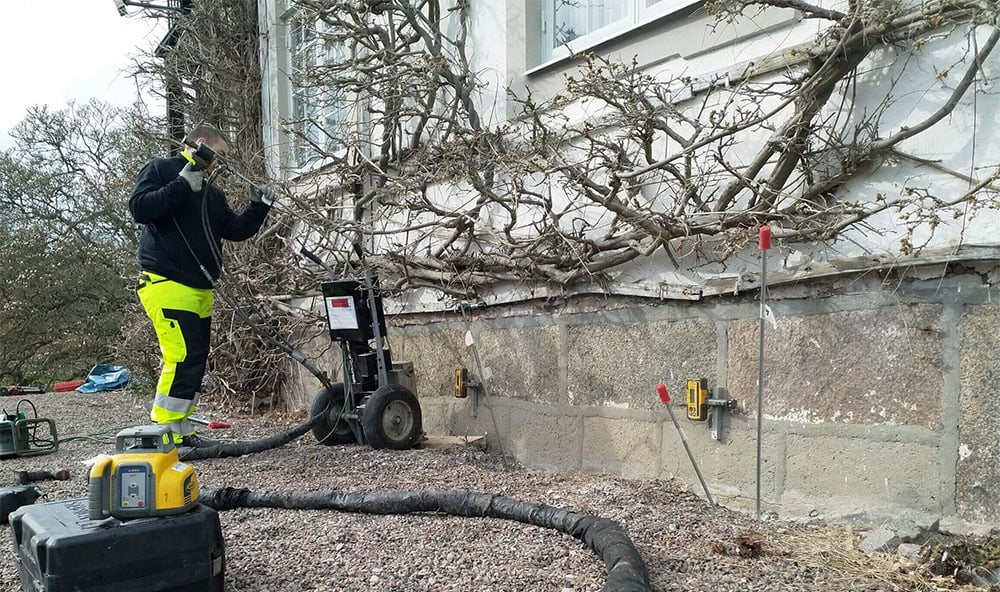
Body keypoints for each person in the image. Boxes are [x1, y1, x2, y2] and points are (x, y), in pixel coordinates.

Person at [128, 124, 272, 445]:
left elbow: (233, 229)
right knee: (180, 355)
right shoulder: (162, 169)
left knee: (195, 358)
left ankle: (180, 429)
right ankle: (163, 431)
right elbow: (139, 208)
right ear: (202, 143)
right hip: (166, 281)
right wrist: (181, 185)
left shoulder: (211, 192)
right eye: (219, 155)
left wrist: (259, 206)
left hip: (199, 288)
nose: (221, 163)